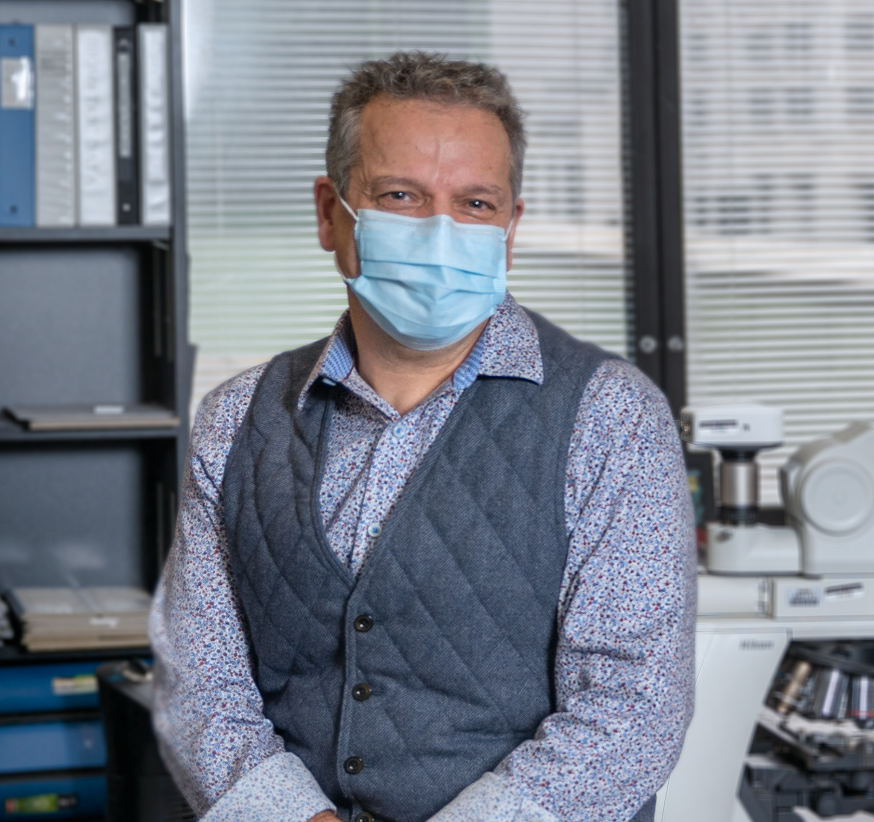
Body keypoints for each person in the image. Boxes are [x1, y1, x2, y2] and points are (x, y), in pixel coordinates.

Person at [150, 52, 695, 822]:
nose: (442, 231)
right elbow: (200, 682)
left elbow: (634, 705)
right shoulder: (236, 419)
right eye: (400, 195)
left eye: (475, 204)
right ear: (330, 213)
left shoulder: (613, 418)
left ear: (510, 227)